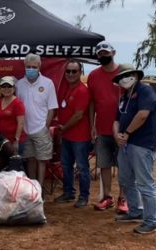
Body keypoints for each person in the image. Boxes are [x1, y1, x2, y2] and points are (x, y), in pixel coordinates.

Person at [112, 64, 156, 234]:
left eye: (128, 75)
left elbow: (143, 115)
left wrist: (126, 133)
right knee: (126, 179)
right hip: (125, 145)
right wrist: (117, 134)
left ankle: (152, 220)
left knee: (145, 183)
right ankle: (135, 211)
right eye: (121, 77)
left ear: (136, 75)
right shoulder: (124, 96)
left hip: (142, 145)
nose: (124, 79)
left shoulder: (145, 90)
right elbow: (116, 119)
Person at [87, 41, 128, 213]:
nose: (103, 56)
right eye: (100, 54)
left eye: (106, 52)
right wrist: (92, 125)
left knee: (123, 166)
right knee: (104, 164)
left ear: (113, 52)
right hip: (102, 129)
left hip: (122, 130)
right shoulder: (93, 76)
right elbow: (92, 103)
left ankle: (123, 199)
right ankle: (107, 197)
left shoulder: (124, 72)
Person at [54, 60, 91, 208]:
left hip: (80, 137)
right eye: (68, 71)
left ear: (80, 72)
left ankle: (84, 196)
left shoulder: (82, 90)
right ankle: (68, 192)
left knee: (82, 167)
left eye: (74, 71)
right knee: (66, 165)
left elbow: (79, 115)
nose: (70, 74)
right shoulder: (66, 89)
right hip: (67, 136)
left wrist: (64, 128)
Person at [16, 53, 58, 187]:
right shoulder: (19, 84)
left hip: (41, 129)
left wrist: (45, 127)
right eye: (28, 66)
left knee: (41, 160)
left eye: (34, 67)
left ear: (39, 66)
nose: (31, 69)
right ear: (24, 66)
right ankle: (32, 187)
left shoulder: (48, 83)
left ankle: (39, 188)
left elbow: (52, 108)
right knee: (30, 159)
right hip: (25, 130)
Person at [0, 76, 25, 155]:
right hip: (2, 140)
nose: (6, 89)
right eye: (4, 86)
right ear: (0, 88)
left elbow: (20, 123)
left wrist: (16, 140)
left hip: (13, 141)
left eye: (9, 86)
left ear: (14, 88)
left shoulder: (18, 103)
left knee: (14, 165)